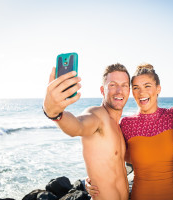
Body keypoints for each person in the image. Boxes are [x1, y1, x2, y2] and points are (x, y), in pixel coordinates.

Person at [86, 64, 173, 200]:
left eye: (147, 86)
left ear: (158, 89)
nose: (141, 92)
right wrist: (95, 179)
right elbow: (113, 159)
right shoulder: (127, 124)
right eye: (136, 88)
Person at [43, 63, 131, 200]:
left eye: (124, 85)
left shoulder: (118, 126)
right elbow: (78, 126)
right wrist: (54, 112)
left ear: (129, 91)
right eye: (113, 85)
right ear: (103, 90)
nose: (119, 90)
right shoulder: (98, 115)